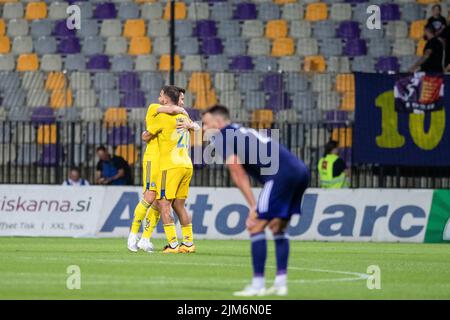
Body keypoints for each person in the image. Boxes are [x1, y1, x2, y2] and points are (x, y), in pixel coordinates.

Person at [202, 105, 310, 297]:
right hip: (300, 170)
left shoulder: (220, 137)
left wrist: (253, 206)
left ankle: (258, 285)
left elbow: (236, 172)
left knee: (255, 226)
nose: (203, 129)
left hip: (279, 175)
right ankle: (280, 283)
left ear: (217, 123)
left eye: (206, 124)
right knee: (277, 227)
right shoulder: (240, 131)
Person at [127, 86, 194, 253]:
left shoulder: (172, 117)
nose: (182, 102)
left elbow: (146, 135)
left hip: (167, 162)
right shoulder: (159, 110)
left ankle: (147, 239)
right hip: (156, 158)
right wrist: (183, 112)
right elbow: (146, 135)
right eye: (181, 99)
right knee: (151, 197)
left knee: (160, 202)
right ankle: (133, 235)